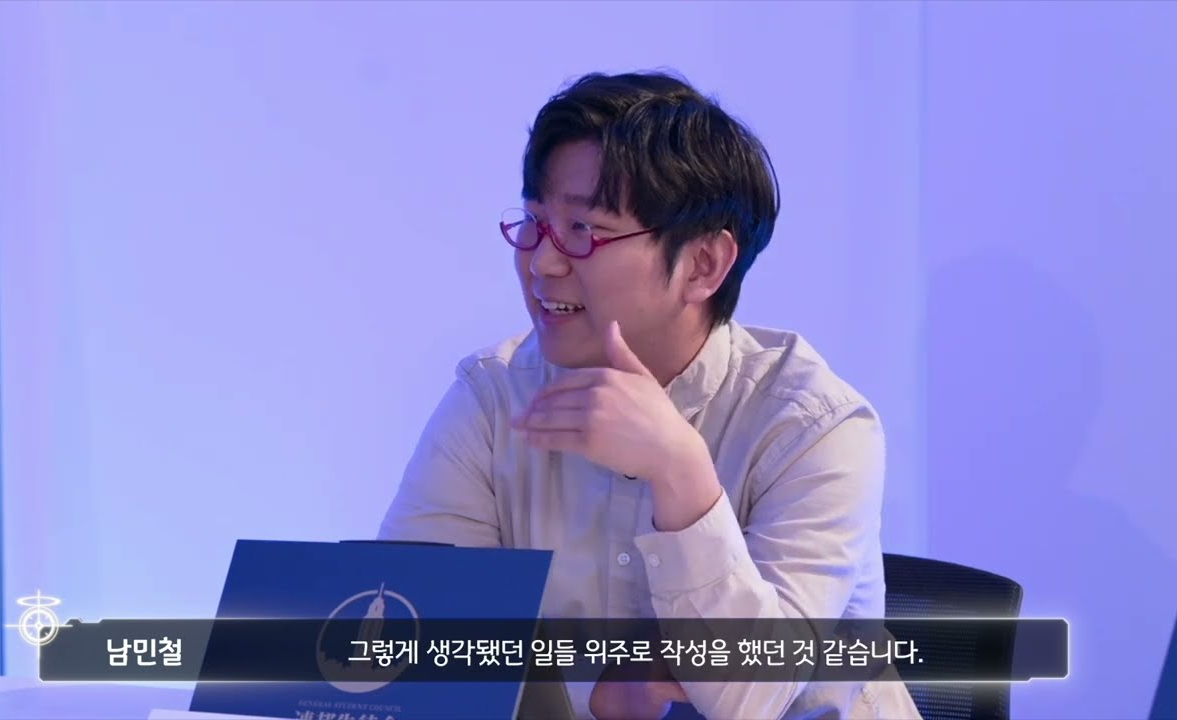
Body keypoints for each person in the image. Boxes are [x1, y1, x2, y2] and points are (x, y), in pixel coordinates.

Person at [378, 71, 921, 720]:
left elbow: (750, 698)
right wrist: (598, 692)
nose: (543, 262)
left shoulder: (816, 427)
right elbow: (407, 653)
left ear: (703, 265)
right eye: (536, 223)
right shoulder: (493, 399)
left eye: (583, 230)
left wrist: (678, 468)